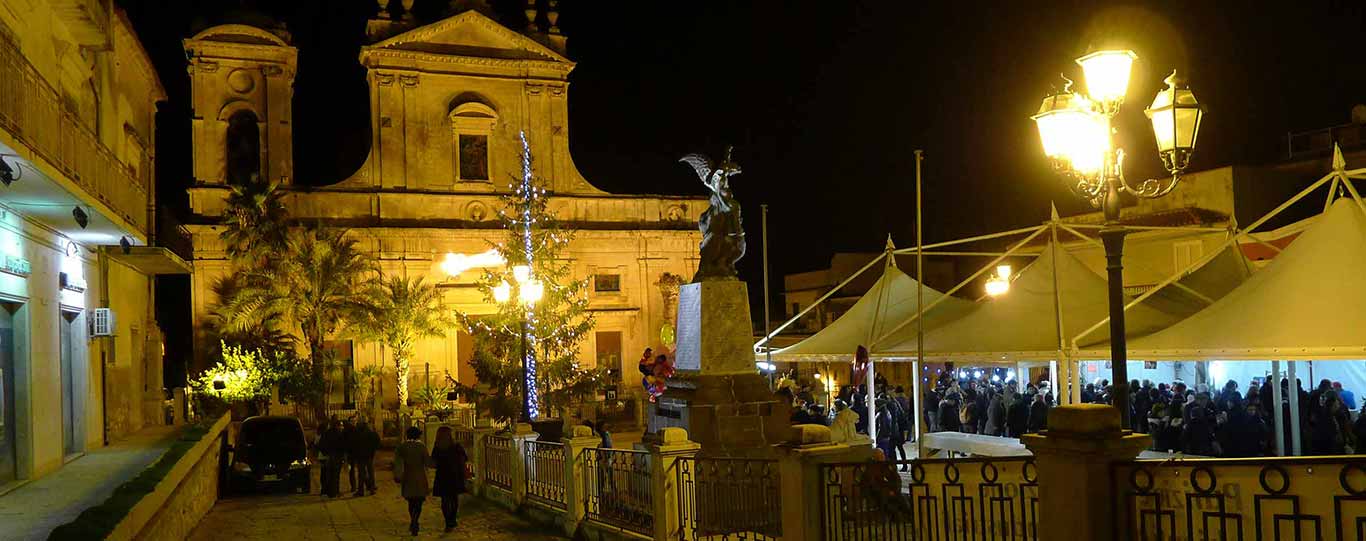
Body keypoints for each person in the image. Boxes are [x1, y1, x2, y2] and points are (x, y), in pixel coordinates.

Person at [394, 426, 432, 536]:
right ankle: (415, 520)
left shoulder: (402, 447)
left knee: (411, 501)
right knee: (419, 501)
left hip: (408, 476)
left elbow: (398, 462)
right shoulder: (421, 447)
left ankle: (413, 520)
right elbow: (427, 462)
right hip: (420, 477)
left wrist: (398, 474)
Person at [431, 426, 468, 532]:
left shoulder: (437, 447)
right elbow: (464, 459)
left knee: (445, 499)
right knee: (454, 498)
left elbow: (433, 462)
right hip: (454, 475)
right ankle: (452, 519)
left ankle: (448, 521)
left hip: (442, 476)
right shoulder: (456, 446)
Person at [349, 420, 381, 496]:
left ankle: (361, 490)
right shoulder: (371, 433)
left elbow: (354, 446)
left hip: (361, 457)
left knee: (361, 474)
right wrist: (373, 451)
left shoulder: (358, 435)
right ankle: (372, 489)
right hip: (369, 455)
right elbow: (377, 441)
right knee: (371, 473)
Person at [316, 419, 345, 497]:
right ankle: (335, 491)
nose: (342, 427)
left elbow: (321, 445)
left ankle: (329, 492)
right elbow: (342, 446)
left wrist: (326, 453)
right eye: (341, 426)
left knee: (329, 474)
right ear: (337, 426)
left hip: (329, 457)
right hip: (336, 457)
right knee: (336, 475)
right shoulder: (339, 434)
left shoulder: (327, 433)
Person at [340, 419, 356, 494]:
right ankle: (356, 485)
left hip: (348, 453)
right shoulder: (354, 430)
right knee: (359, 469)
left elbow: (342, 443)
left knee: (351, 470)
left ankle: (353, 486)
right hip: (355, 452)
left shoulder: (344, 432)